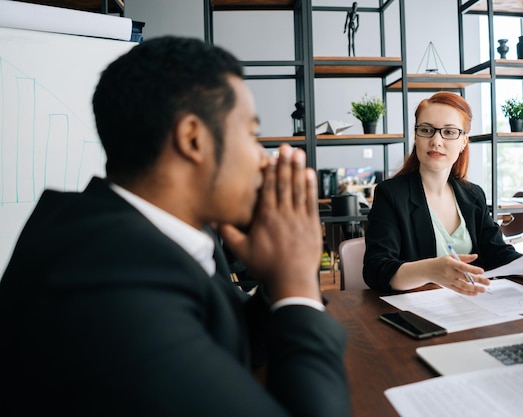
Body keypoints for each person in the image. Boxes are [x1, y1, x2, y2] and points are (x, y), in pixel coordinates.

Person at [0, 37, 349, 416]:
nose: (264, 160)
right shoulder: (104, 275)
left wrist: (277, 280)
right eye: (251, 134)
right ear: (193, 138)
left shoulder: (145, 236)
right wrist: (297, 281)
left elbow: (229, 337)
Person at [363, 91, 523, 293]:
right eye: (426, 130)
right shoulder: (390, 195)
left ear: (463, 142)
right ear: (416, 136)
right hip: (414, 311)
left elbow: (497, 253)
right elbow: (376, 269)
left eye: (449, 132)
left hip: (471, 305)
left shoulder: (473, 195)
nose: (436, 141)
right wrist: (429, 270)